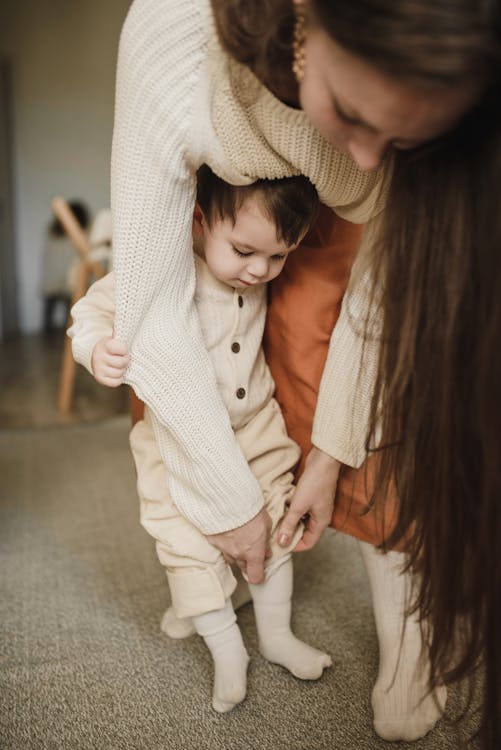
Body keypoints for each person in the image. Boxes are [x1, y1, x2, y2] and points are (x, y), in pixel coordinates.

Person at [110, 0, 501, 744]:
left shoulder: (390, 158)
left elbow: (375, 311)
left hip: (344, 232)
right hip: (228, 211)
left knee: (343, 385)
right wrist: (232, 503)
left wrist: (327, 456)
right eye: (353, 112)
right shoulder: (172, 33)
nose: (365, 155)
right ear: (304, 19)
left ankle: (409, 614)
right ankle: (207, 569)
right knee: (190, 384)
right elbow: (151, 314)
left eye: (402, 137)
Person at [69, 168, 331, 713]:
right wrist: (95, 350)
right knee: (183, 541)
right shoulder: (161, 270)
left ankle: (276, 635)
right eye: (243, 251)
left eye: (279, 257)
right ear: (200, 220)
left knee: (276, 518)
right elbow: (90, 311)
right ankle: (227, 650)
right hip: (171, 437)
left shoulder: (253, 266)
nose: (260, 271)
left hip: (257, 422)